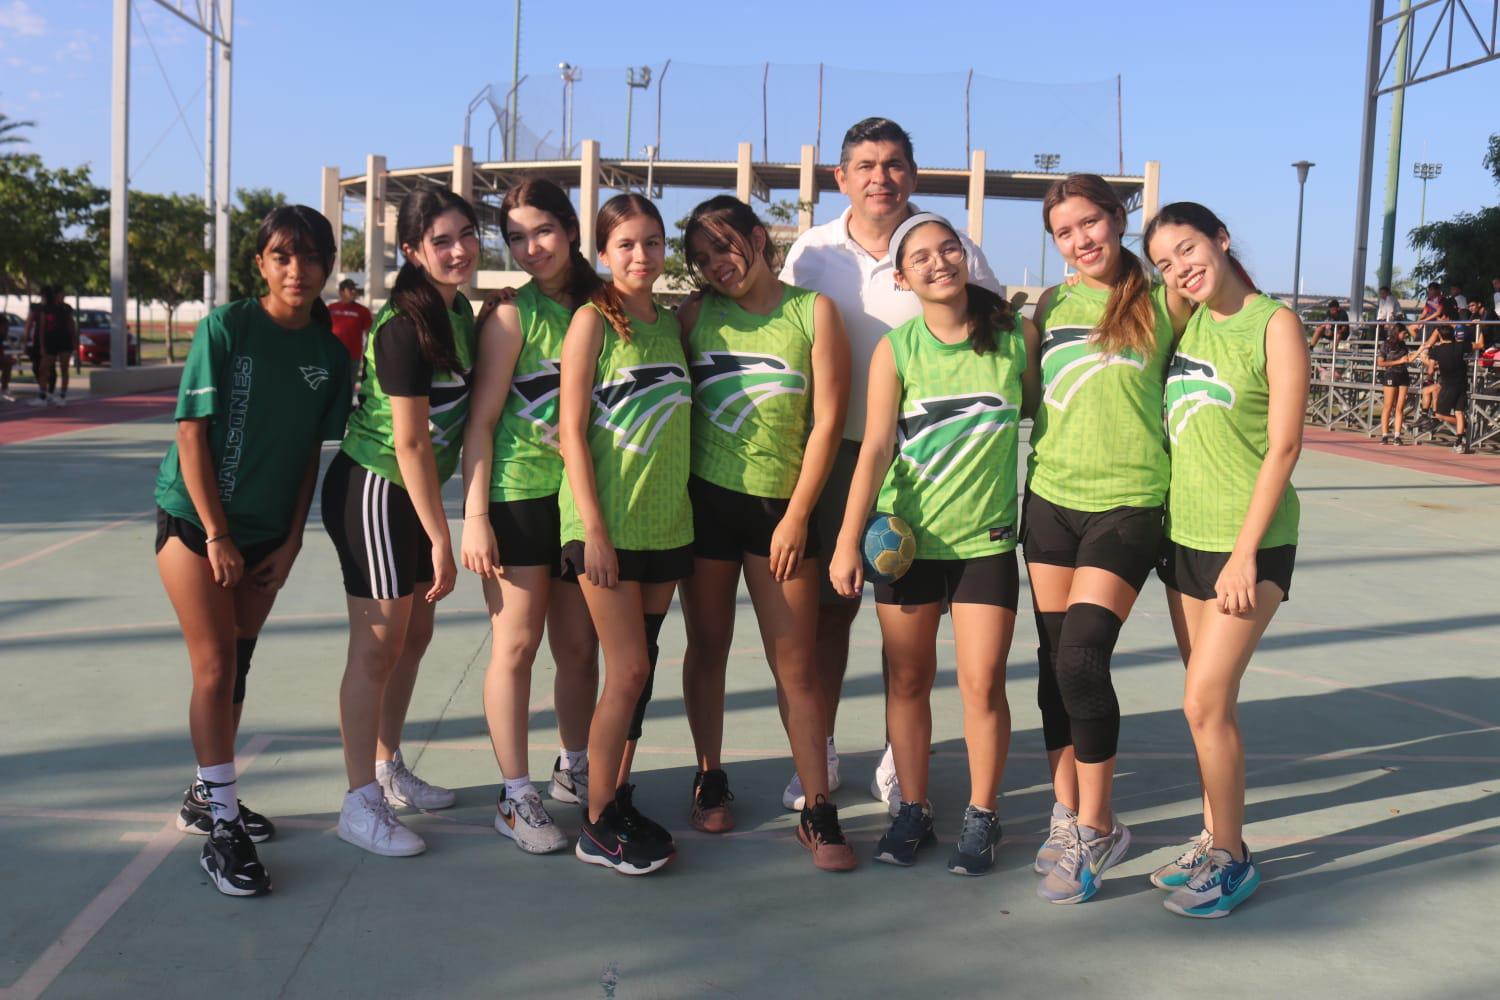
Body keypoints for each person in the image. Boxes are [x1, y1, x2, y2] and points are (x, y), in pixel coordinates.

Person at [778, 117, 1000, 815]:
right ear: (840, 179)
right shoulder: (811, 253)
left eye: (895, 163)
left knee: (913, 619)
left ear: (914, 174)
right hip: (841, 453)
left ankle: (900, 756)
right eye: (866, 165)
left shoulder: (948, 248)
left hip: (932, 464)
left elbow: (995, 330)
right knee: (832, 613)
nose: (882, 176)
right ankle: (825, 745)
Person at [830, 213, 1040, 874]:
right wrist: (844, 543)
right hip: (906, 541)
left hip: (984, 542)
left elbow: (1041, 414)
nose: (938, 262)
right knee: (909, 679)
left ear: (967, 255)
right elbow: (873, 453)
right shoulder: (897, 349)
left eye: (948, 248)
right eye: (919, 257)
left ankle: (982, 815)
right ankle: (912, 808)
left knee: (982, 685)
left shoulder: (1017, 338)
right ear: (902, 277)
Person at [154, 206, 352, 895]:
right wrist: (216, 534)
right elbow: (190, 434)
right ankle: (224, 827)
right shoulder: (227, 328)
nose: (297, 271)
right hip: (196, 522)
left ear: (328, 263)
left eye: (310, 257)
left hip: (268, 532)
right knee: (213, 667)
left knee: (237, 665)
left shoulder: (330, 356)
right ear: (260, 264)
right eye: (281, 256)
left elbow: (307, 458)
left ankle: (205, 794)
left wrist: (293, 537)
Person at [675, 195, 856, 871]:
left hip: (783, 510)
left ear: (758, 237)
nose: (717, 265)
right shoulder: (694, 315)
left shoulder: (813, 312)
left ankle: (817, 805)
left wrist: (798, 515)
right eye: (701, 257)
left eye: (725, 246)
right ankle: (708, 773)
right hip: (707, 506)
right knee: (708, 645)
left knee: (796, 665)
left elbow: (827, 421)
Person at [1026, 173, 1192, 905]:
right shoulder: (1050, 305)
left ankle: (1098, 828)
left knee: (1084, 657)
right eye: (1066, 231)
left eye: (1091, 223)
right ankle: (1067, 813)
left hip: (1127, 503)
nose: (1081, 239)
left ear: (1119, 219)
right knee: (1052, 665)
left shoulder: (1165, 299)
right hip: (1050, 501)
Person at [1145, 202, 1306, 918]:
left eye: (1187, 248)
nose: (1180, 267)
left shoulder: (1274, 323)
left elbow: (1285, 446)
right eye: (1165, 261)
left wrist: (1244, 554)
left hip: (1253, 543)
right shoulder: (1190, 322)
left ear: (1221, 240)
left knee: (1202, 699)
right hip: (1187, 538)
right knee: (1211, 706)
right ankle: (1214, 835)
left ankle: (1235, 859)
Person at [321, 186, 478, 856]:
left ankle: (387, 770)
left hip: (410, 493)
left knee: (412, 640)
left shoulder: (462, 310)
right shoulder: (403, 327)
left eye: (466, 233)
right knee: (378, 645)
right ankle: (357, 802)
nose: (458, 249)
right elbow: (411, 443)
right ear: (413, 252)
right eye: (440, 240)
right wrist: (445, 537)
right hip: (376, 486)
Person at [459, 179, 602, 855]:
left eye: (540, 230)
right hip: (519, 494)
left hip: (584, 501)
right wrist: (475, 514)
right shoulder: (513, 315)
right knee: (516, 645)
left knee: (578, 648)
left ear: (569, 228)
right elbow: (482, 423)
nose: (529, 247)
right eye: (515, 237)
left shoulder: (607, 307)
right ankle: (516, 796)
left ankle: (575, 767)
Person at [559, 193, 691, 876]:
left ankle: (617, 798)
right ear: (603, 254)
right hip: (604, 526)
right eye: (627, 246)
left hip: (667, 523)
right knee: (629, 670)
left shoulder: (671, 325)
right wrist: (594, 530)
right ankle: (596, 822)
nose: (642, 256)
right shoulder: (591, 322)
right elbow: (572, 435)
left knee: (639, 677)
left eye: (652, 243)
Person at [26, 286, 76, 407]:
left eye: (64, 294)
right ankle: (43, 396)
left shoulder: (66, 308)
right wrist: (42, 346)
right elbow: (42, 328)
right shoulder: (46, 309)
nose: (63, 296)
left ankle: (62, 396)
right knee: (43, 368)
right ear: (55, 295)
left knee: (64, 368)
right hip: (51, 341)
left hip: (65, 341)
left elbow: (71, 325)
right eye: (61, 294)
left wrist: (74, 342)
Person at [1426, 321, 1473, 453]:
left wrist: (1428, 380)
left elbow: (1430, 370)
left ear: (1440, 336)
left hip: (1448, 386)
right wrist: (1479, 328)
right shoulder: (1459, 346)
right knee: (1459, 412)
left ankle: (1464, 426)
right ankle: (1459, 440)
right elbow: (1479, 344)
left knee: (1439, 414)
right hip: (1462, 384)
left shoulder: (1437, 350)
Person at [1376, 325, 1416, 445]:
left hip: (1403, 376)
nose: (1405, 336)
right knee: (1388, 406)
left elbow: (1408, 359)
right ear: (1397, 333)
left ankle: (1397, 436)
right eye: (1403, 333)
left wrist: (1419, 352)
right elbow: (1380, 363)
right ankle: (1384, 435)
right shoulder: (1386, 345)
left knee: (1400, 407)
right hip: (1391, 375)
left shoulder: (1404, 345)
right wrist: (1398, 361)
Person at [327, 279, 374, 370]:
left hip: (352, 356)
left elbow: (370, 334)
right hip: (332, 355)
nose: (354, 291)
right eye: (350, 289)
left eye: (354, 289)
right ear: (341, 292)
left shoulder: (363, 311)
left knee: (350, 383)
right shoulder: (331, 308)